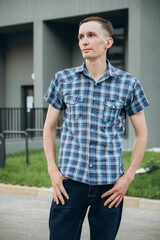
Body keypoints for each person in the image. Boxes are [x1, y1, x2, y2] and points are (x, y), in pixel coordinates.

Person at [43, 16, 149, 240]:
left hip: (110, 187)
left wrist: (128, 177)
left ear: (108, 42)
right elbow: (49, 128)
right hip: (69, 183)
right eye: (81, 36)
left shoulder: (128, 84)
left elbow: (142, 135)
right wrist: (53, 170)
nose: (84, 41)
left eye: (91, 35)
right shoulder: (63, 80)